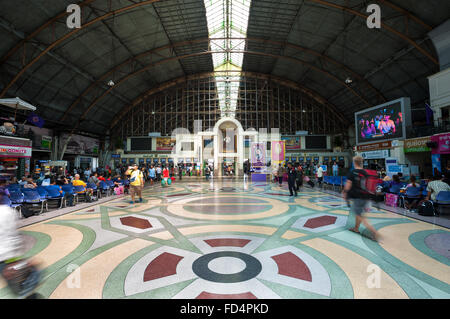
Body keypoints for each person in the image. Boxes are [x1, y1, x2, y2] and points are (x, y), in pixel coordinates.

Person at [0, 204, 41, 298]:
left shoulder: (6, 211)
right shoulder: (6, 212)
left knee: (22, 289)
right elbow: (10, 240)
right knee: (24, 289)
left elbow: (12, 238)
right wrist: (14, 262)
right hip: (7, 260)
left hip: (8, 259)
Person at [342, 156, 381, 242]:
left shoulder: (353, 172)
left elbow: (348, 185)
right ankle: (356, 228)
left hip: (358, 197)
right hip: (367, 196)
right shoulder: (366, 172)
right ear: (361, 163)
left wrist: (344, 192)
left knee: (360, 216)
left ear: (354, 163)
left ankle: (374, 232)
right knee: (358, 213)